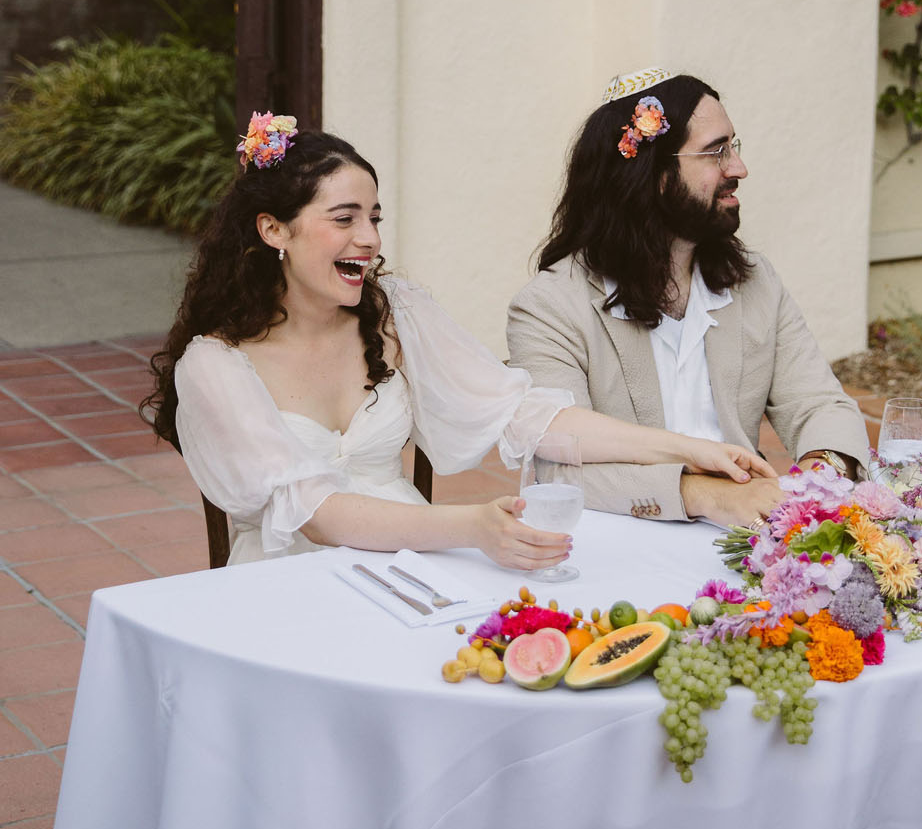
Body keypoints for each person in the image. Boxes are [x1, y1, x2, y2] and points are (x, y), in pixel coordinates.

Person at [144, 117, 771, 570]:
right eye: (344, 219)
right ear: (274, 229)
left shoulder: (399, 315)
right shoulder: (213, 364)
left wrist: (689, 448)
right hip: (292, 584)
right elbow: (323, 516)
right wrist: (470, 528)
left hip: (414, 567)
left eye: (375, 217)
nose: (370, 239)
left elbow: (527, 416)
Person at [506, 68, 870, 526]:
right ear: (653, 175)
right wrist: (703, 494)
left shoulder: (755, 282)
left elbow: (818, 404)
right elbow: (556, 468)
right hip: (619, 544)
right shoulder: (550, 307)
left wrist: (822, 478)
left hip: (744, 536)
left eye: (733, 147)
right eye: (716, 151)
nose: (738, 167)